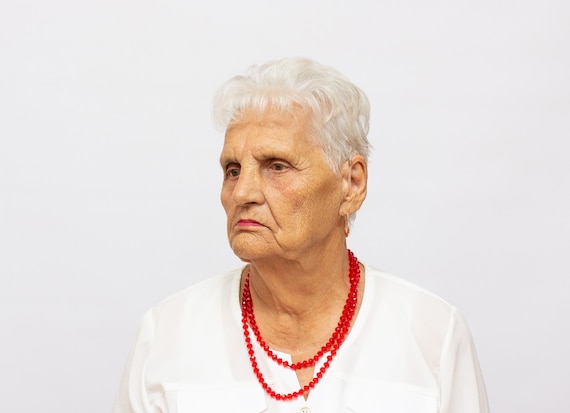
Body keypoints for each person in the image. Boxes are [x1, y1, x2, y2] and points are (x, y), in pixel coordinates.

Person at [111, 57, 489, 413]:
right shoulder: (167, 335)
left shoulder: (431, 334)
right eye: (232, 170)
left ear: (351, 184)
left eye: (276, 166)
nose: (242, 193)